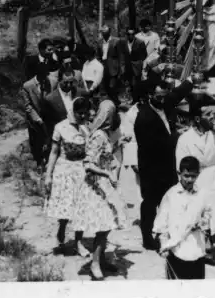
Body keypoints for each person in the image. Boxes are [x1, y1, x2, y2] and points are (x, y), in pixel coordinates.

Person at [174, 105, 215, 271]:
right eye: (208, 114)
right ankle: (200, 252)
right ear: (198, 119)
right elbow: (181, 164)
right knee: (198, 217)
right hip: (197, 179)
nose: (212, 117)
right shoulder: (185, 138)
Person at [134, 76, 195, 250]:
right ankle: (147, 238)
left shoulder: (165, 102)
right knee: (150, 203)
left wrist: (191, 80)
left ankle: (168, 234)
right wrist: (178, 135)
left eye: (163, 96)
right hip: (151, 167)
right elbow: (153, 145)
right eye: (158, 97)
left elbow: (176, 94)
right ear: (150, 95)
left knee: (169, 200)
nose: (162, 100)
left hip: (168, 165)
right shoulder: (143, 117)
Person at [78, 99, 126, 279]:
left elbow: (104, 154)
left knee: (108, 224)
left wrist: (119, 142)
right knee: (103, 226)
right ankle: (95, 262)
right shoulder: (98, 135)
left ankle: (101, 259)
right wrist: (107, 174)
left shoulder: (104, 134)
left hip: (105, 184)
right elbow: (88, 163)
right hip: (97, 186)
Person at [44, 97, 93, 259]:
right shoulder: (60, 127)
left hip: (80, 171)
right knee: (65, 208)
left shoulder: (86, 129)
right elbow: (54, 152)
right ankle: (61, 236)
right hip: (64, 170)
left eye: (85, 113)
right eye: (79, 113)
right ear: (73, 111)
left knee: (81, 208)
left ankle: (78, 242)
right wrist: (48, 175)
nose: (82, 116)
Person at [154, 156, 212, 280]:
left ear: (198, 174)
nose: (190, 180)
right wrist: (164, 244)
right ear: (179, 173)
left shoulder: (202, 194)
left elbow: (207, 213)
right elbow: (161, 223)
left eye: (193, 176)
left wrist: (203, 223)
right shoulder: (171, 195)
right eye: (186, 176)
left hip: (196, 249)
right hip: (176, 250)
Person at [20, 72, 65, 168]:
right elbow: (28, 106)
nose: (45, 77)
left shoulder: (53, 82)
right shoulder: (27, 86)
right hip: (35, 120)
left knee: (51, 141)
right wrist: (37, 119)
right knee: (37, 144)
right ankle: (38, 163)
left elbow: (56, 98)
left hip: (50, 118)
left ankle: (50, 163)